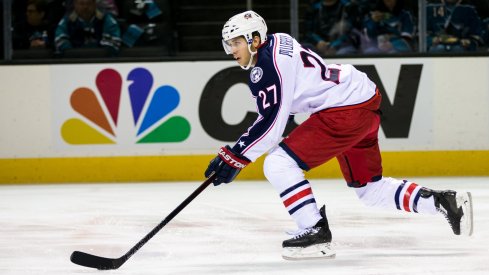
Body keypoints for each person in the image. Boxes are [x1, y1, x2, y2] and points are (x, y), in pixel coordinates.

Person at [204, 10, 474, 260]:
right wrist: (236, 154)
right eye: (228, 44)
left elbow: (273, 124)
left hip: (343, 110)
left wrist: (235, 156)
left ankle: (314, 231)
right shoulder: (279, 40)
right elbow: (279, 113)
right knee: (369, 190)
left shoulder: (266, 66)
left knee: (278, 163)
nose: (231, 50)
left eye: (235, 42)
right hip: (360, 99)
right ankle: (445, 202)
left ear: (254, 39)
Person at [54, 0, 121, 55]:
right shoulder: (67, 20)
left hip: (101, 62)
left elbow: (113, 43)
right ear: (75, 4)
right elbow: (60, 40)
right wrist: (72, 54)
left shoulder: (106, 19)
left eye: (89, 3)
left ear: (95, 4)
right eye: (81, 4)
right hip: (74, 62)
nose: (85, 7)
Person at [303, 0, 368, 55]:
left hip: (344, 45)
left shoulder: (348, 7)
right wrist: (318, 42)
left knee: (343, 53)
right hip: (318, 45)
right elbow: (308, 31)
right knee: (307, 52)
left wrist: (334, 45)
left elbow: (352, 31)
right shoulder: (313, 8)